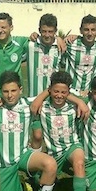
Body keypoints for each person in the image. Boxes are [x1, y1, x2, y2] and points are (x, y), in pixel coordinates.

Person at [0, 71, 58, 191]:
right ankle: (19, 181)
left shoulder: (29, 104)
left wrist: (79, 102)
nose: (9, 95)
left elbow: (54, 90)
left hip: (24, 155)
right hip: (4, 163)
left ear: (21, 89)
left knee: (50, 164)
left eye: (13, 90)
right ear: (0, 92)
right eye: (5, 91)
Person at [32, 71, 89, 191]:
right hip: (53, 154)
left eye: (64, 92)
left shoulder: (75, 106)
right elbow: (19, 101)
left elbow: (95, 99)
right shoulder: (42, 106)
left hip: (72, 146)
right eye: (56, 91)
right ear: (49, 90)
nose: (59, 95)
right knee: (41, 184)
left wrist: (81, 102)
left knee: (79, 162)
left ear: (68, 93)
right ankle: (38, 190)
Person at [25, 13, 63, 151]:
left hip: (55, 100)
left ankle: (58, 161)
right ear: (39, 30)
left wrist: (61, 39)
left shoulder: (60, 48)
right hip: (35, 99)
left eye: (51, 32)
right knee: (37, 135)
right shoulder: (29, 45)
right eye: (44, 31)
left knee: (56, 134)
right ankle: (34, 167)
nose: (47, 35)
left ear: (55, 31)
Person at [0, 13, 29, 100]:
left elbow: (40, 40)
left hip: (12, 96)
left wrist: (57, 39)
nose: (0, 30)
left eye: (3, 27)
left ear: (11, 28)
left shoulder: (20, 43)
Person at [63, 14, 96, 97]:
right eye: (86, 30)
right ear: (81, 30)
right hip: (71, 93)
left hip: (93, 95)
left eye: (93, 30)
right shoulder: (70, 44)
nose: (89, 33)